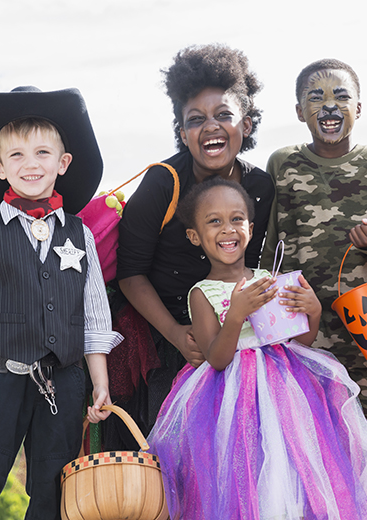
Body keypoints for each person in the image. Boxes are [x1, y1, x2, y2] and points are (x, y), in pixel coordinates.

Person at [147, 177, 367, 519]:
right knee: (244, 480)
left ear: (250, 226)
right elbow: (217, 359)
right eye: (214, 221)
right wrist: (236, 315)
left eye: (236, 219)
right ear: (195, 236)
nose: (227, 229)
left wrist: (313, 312)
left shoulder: (269, 278)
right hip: (228, 407)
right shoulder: (201, 293)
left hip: (285, 398)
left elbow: (297, 343)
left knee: (290, 476)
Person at [0, 87, 121, 519]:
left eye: (42, 152)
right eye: (16, 156)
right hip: (4, 377)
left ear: (63, 163)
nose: (31, 164)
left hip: (67, 379)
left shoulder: (80, 234)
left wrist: (100, 382)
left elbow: (94, 316)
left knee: (53, 485)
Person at [110, 43, 274, 450]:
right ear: (183, 133)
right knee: (174, 454)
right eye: (196, 120)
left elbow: (248, 266)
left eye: (224, 115)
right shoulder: (163, 184)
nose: (211, 127)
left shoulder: (259, 187)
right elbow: (129, 273)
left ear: (247, 125)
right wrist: (177, 332)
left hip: (234, 335)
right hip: (166, 336)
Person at [259, 58, 367, 447]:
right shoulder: (281, 164)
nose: (329, 106)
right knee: (305, 448)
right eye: (316, 97)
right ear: (299, 111)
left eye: (341, 96)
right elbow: (268, 252)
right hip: (299, 336)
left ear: (358, 108)